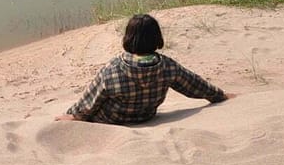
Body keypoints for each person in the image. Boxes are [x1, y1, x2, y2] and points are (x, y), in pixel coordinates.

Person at [56, 14, 230, 124]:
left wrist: (72, 115)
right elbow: (195, 86)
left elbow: (89, 103)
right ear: (157, 38)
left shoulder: (113, 68)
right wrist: (219, 95)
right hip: (145, 116)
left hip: (111, 121)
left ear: (128, 38)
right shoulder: (167, 66)